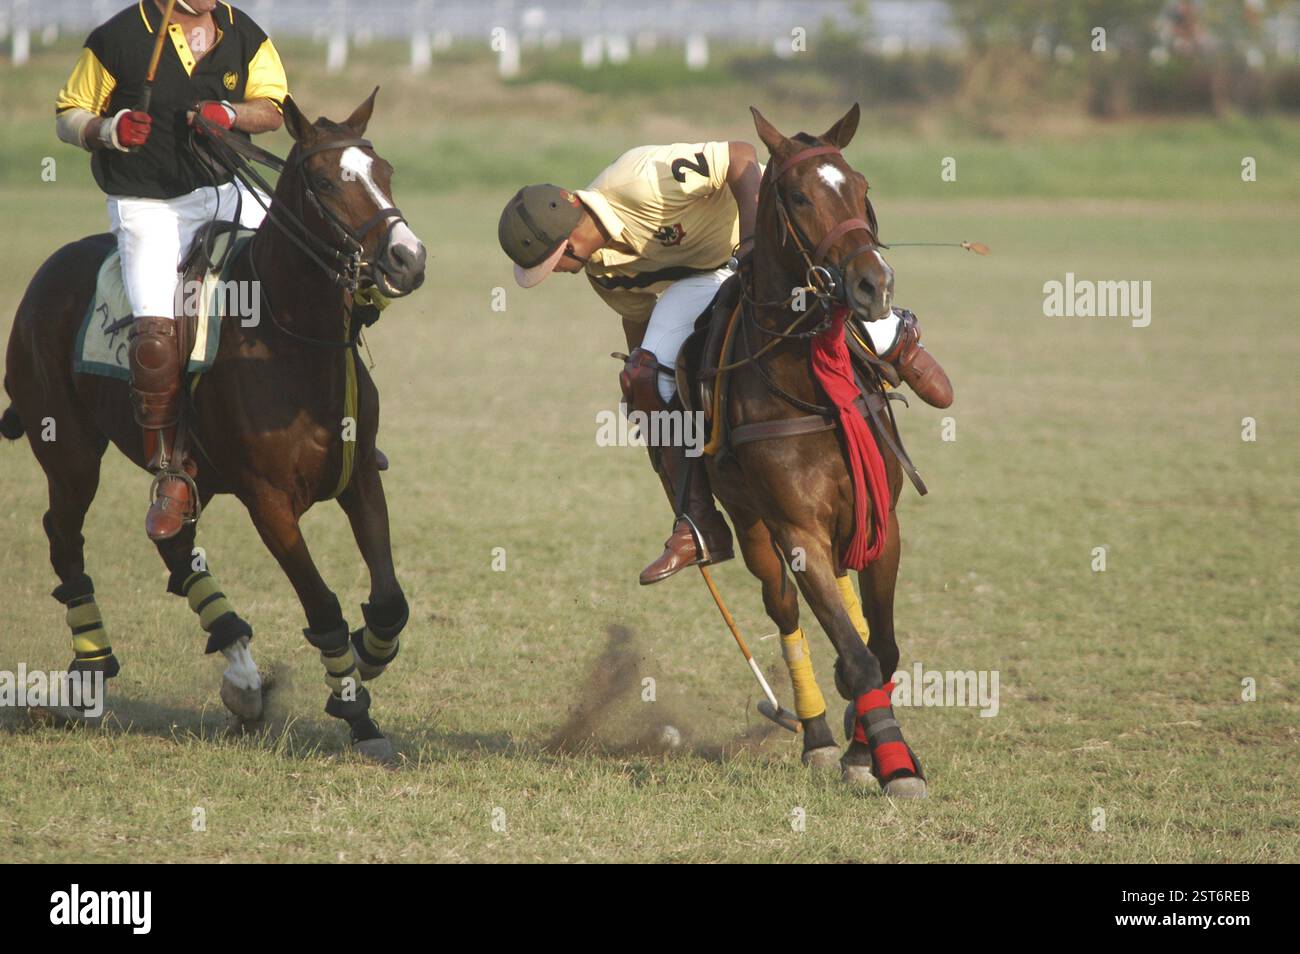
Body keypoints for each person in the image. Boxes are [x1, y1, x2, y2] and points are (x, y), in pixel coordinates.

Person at [498, 138, 951, 584]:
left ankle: (897, 339)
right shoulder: (601, 270)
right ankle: (698, 523)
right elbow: (642, 326)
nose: (555, 271)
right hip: (697, 287)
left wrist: (753, 244)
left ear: (570, 226)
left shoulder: (638, 178)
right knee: (642, 377)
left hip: (760, 245)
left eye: (554, 259)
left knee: (838, 286)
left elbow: (739, 156)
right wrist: (651, 398)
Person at [55, 0, 288, 540]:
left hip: (227, 188)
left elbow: (273, 107)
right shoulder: (116, 38)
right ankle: (171, 472)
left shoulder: (240, 29)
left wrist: (228, 115)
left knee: (301, 267)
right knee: (156, 334)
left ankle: (336, 422)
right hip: (148, 203)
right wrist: (108, 129)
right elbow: (68, 113)